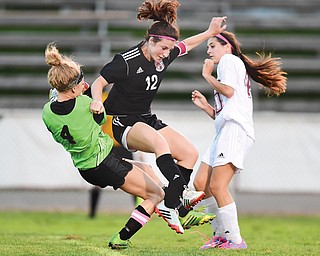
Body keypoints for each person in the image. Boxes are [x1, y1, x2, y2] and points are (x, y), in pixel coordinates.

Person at [89, 0, 227, 232]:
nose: (166, 54)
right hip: (120, 121)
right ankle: (178, 196)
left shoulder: (166, 52)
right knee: (159, 143)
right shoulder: (126, 61)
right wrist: (96, 99)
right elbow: (99, 82)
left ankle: (172, 206)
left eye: (168, 50)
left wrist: (210, 32)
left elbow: (186, 45)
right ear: (150, 41)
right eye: (162, 48)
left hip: (145, 117)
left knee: (188, 154)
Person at [42, 42, 171, 250]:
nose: (85, 86)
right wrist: (96, 106)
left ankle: (172, 206)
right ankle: (122, 238)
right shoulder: (85, 105)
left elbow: (58, 101)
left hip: (86, 166)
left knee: (147, 169)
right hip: (104, 162)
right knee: (156, 195)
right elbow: (101, 121)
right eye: (82, 83)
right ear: (73, 87)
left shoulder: (47, 111)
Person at [191, 31, 287, 250]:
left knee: (217, 186)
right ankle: (219, 235)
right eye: (208, 47)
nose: (208, 50)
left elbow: (230, 92)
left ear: (227, 47)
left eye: (212, 45)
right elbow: (225, 109)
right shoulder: (228, 64)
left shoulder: (228, 60)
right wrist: (206, 106)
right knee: (201, 184)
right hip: (225, 130)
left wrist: (207, 76)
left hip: (235, 130)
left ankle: (235, 240)